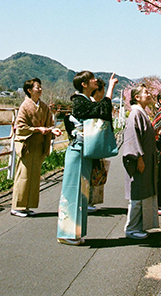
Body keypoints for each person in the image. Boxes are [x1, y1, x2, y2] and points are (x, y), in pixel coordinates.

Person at [57, 71, 118, 245]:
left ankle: (73, 233)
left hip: (81, 150)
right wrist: (110, 89)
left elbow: (102, 111)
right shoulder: (79, 102)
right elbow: (103, 111)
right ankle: (67, 234)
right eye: (91, 78)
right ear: (84, 84)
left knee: (81, 191)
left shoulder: (84, 100)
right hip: (77, 150)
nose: (94, 80)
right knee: (73, 191)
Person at [11, 78, 62, 217]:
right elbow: (20, 127)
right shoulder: (25, 106)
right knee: (24, 175)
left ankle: (27, 205)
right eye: (36, 87)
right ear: (29, 90)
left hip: (38, 146)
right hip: (28, 145)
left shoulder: (44, 106)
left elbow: (49, 124)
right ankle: (17, 206)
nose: (40, 89)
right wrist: (38, 129)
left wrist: (53, 130)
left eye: (40, 87)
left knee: (34, 177)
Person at [122, 83, 158, 239]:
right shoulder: (135, 114)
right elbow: (132, 139)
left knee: (143, 193)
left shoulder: (142, 113)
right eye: (145, 92)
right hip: (140, 160)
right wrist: (139, 159)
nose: (149, 94)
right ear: (136, 97)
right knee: (136, 195)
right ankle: (131, 228)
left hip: (146, 159)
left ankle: (139, 226)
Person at [88, 78, 108, 211]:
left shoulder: (94, 103)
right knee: (91, 172)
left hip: (95, 143)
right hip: (92, 143)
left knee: (94, 172)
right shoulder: (92, 104)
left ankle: (91, 200)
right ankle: (88, 201)